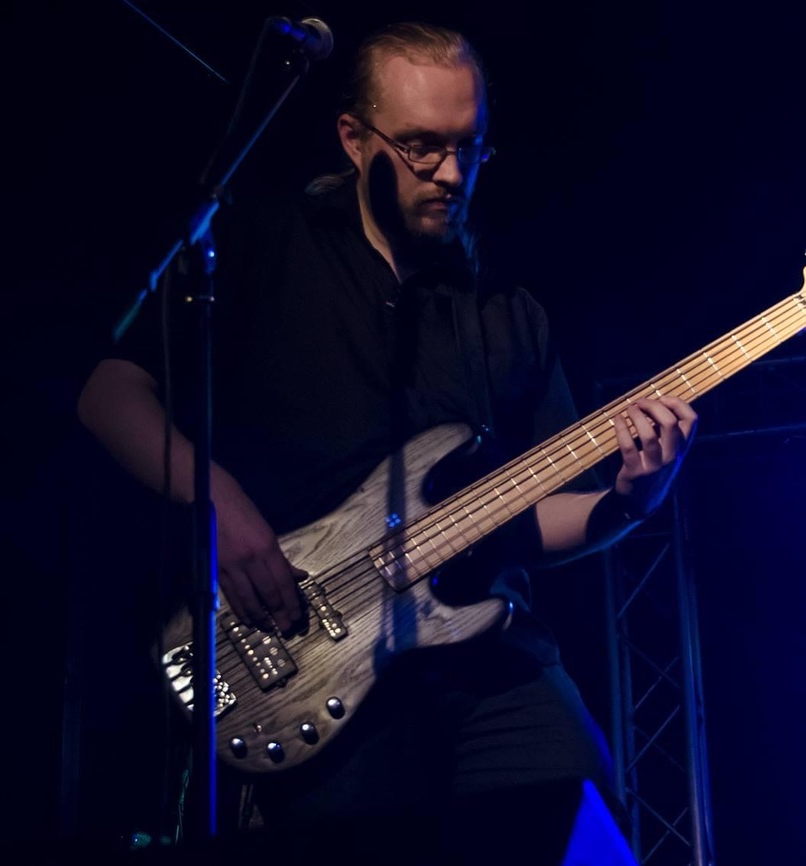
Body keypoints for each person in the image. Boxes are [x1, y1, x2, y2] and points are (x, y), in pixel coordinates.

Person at [76, 20, 697, 866]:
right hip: (305, 650)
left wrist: (631, 501)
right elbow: (108, 392)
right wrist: (218, 502)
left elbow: (529, 516)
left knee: (583, 830)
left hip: (484, 656)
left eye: (467, 147)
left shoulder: (506, 311)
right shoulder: (263, 248)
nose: (450, 172)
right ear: (353, 139)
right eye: (420, 147)